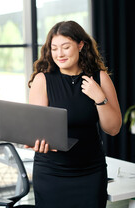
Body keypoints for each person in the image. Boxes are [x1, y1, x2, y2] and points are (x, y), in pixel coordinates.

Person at [27, 21, 122, 208]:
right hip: (51, 174)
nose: (59, 54)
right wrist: (37, 142)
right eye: (54, 48)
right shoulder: (42, 80)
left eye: (65, 47)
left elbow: (113, 129)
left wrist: (100, 98)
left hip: (90, 173)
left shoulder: (99, 78)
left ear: (80, 45)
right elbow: (37, 130)